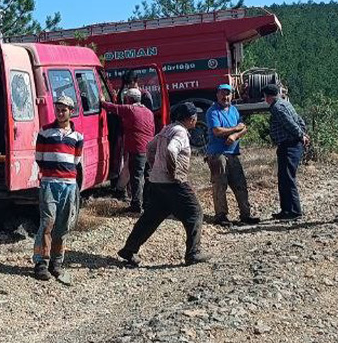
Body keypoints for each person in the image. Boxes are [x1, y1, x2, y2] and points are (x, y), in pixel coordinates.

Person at [117, 102, 208, 268]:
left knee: (151, 217)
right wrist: (174, 172)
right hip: (173, 182)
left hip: (157, 181)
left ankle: (129, 249)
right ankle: (193, 253)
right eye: (194, 117)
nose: (195, 120)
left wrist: (154, 167)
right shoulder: (180, 132)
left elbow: (149, 147)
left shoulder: (166, 129)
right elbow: (172, 150)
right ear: (190, 118)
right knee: (195, 213)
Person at [32, 95, 85, 282]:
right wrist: (50, 173)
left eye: (64, 110)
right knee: (47, 223)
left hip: (69, 185)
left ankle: (57, 262)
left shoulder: (78, 137)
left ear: (71, 112)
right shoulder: (45, 132)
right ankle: (41, 263)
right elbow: (39, 157)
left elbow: (76, 160)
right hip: (49, 183)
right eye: (58, 109)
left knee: (62, 225)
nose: (60, 113)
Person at [204, 83, 259, 225]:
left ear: (232, 95)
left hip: (233, 153)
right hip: (217, 154)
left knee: (240, 184)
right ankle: (221, 216)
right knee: (219, 185)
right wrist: (235, 129)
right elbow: (217, 131)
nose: (225, 96)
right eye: (222, 93)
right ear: (217, 95)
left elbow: (244, 128)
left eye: (228, 93)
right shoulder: (213, 111)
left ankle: (245, 215)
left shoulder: (234, 110)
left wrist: (235, 136)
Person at [101, 87, 156, 213]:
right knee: (147, 177)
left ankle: (136, 205)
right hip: (150, 149)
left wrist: (102, 101)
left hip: (137, 149)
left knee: (136, 177)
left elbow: (112, 108)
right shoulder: (148, 112)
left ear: (129, 99)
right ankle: (147, 203)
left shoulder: (130, 110)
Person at [263, 84, 309, 220]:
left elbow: (289, 123)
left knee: (288, 178)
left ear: (267, 97)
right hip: (290, 145)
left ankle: (294, 211)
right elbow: (299, 120)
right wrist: (303, 133)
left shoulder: (277, 107)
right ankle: (286, 210)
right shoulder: (285, 103)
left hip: (289, 145)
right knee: (284, 178)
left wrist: (301, 135)